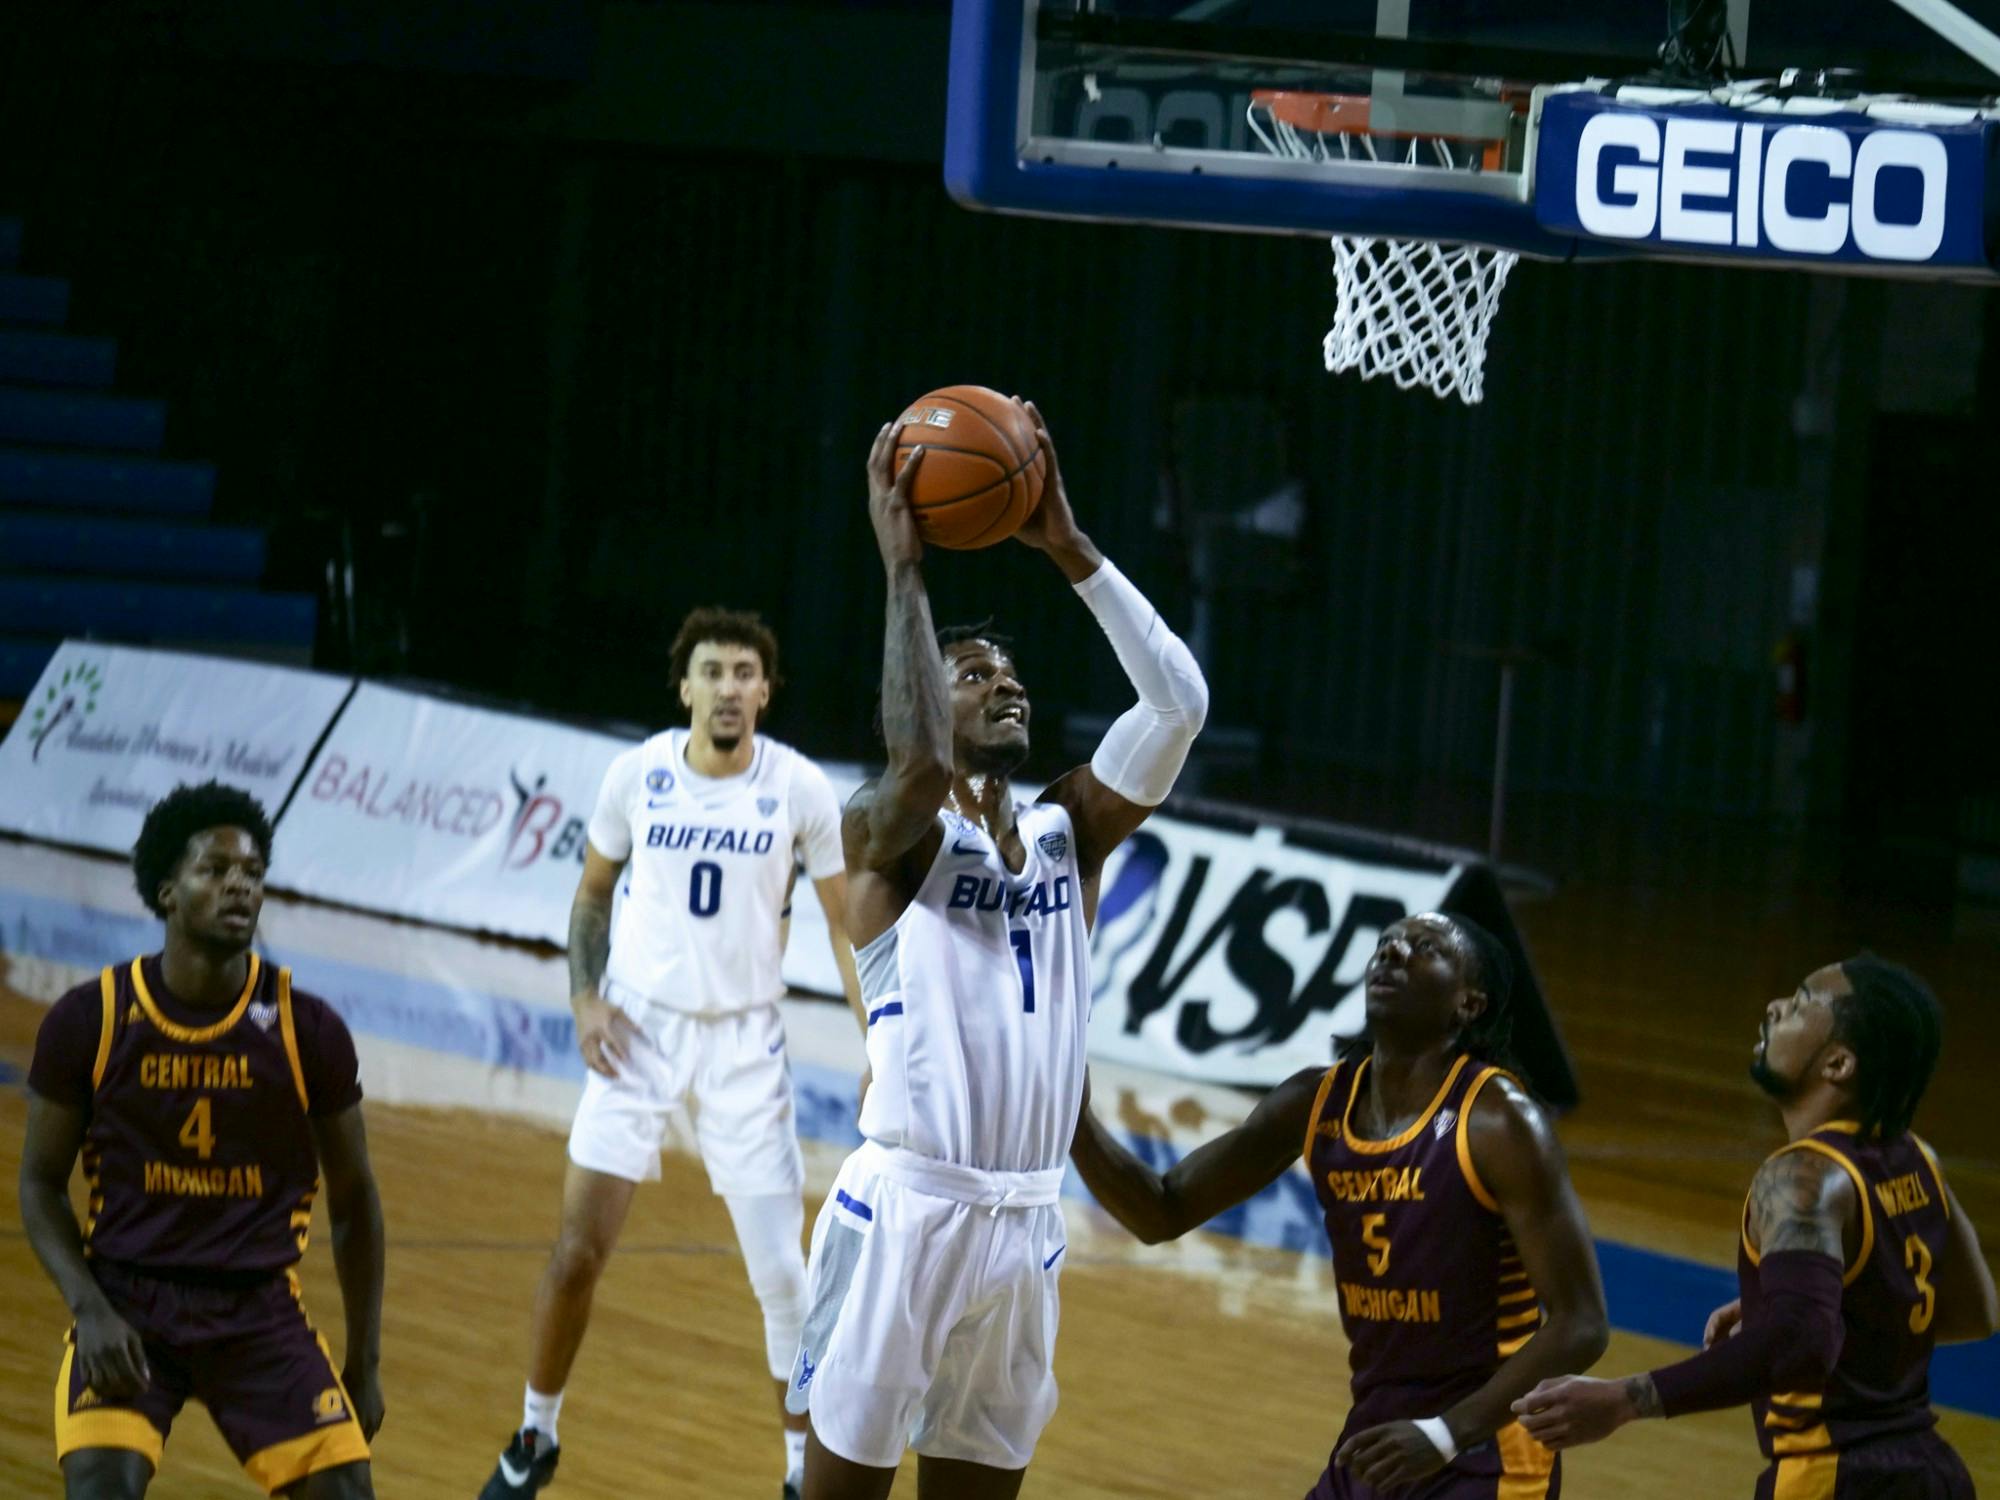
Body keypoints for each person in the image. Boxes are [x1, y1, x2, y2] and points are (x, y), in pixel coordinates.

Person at [788, 400, 1209, 1499]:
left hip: (1023, 1217)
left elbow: (1179, 700)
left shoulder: (1073, 829)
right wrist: (904, 575)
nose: (1002, 682)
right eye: (973, 674)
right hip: (905, 1210)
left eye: (1008, 673)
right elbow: (921, 762)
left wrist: (1069, 546)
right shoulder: (881, 835)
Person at [480, 607, 864, 1500]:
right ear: (683, 686)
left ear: (765, 692)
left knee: (783, 1278)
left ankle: (802, 1471)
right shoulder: (637, 774)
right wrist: (585, 1000)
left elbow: (847, 928)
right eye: (712, 671)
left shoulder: (801, 788)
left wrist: (877, 1040)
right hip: (638, 1032)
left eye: (744, 673)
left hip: (744, 1046)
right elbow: (590, 897)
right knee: (577, 1252)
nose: (728, 687)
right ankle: (534, 1435)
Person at [1071, 910, 1607, 1499]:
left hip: (1486, 1450)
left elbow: (1581, 1324)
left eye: (1424, 947)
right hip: (1379, 1438)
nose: (1393, 954)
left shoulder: (1498, 1121)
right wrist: (1075, 1119)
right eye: (1386, 944)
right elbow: (1162, 1210)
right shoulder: (1317, 1100)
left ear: (1468, 1004)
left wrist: (1447, 1434)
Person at [19, 780, 385, 1498]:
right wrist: (88, 1308)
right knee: (98, 1489)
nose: (238, 887)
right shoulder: (89, 1019)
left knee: (347, 1492)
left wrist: (364, 1362)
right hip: (127, 1302)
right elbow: (37, 1183)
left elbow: (356, 1200)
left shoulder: (306, 1030)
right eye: (214, 871)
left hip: (257, 1312)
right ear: (166, 892)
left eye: (251, 874)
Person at [1515, 956, 1998, 1498]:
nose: (1774, 1009)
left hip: (1834, 1478)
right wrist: (1817, 1294)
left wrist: (1623, 1399)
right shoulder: (1916, 1158)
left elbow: (1798, 1342)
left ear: (1837, 1064)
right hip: (1933, 1475)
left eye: (1798, 1005)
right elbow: (1973, 1310)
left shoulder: (1802, 1177)